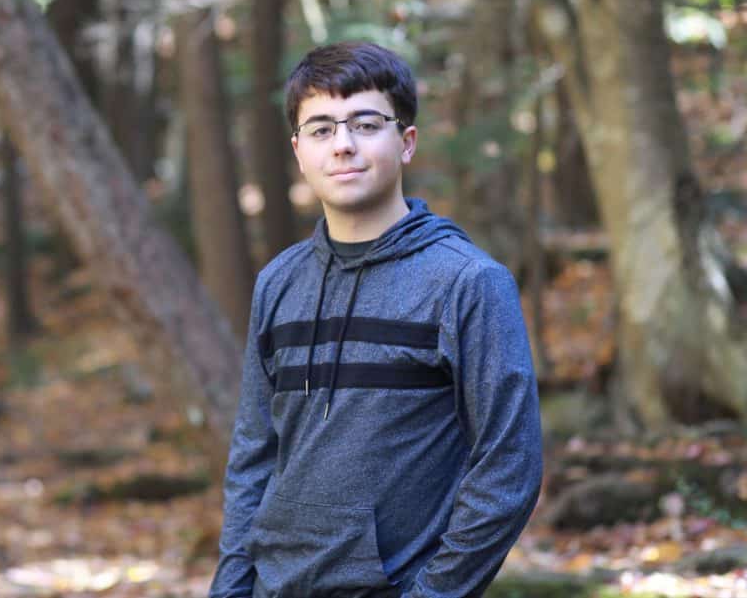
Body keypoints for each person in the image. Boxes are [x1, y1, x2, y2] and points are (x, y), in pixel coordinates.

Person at [209, 41, 542, 598]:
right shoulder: (278, 284)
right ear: (298, 151)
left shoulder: (468, 284)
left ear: (405, 142)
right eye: (321, 129)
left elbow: (510, 467)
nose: (343, 146)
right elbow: (254, 457)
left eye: (365, 124)